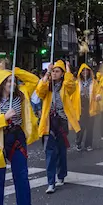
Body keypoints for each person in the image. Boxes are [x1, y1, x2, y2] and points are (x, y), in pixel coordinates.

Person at [0, 67, 39, 205]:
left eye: (13, 81)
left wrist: (15, 70)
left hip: (17, 137)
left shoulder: (22, 94)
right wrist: (3, 118)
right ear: (1, 84)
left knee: (22, 176)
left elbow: (34, 81)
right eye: (8, 81)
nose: (12, 84)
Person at [36, 61, 79, 193]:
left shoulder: (65, 86)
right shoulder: (47, 85)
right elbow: (39, 92)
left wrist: (67, 69)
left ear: (62, 74)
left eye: (57, 71)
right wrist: (47, 74)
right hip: (48, 123)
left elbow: (71, 85)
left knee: (61, 151)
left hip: (61, 121)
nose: (54, 73)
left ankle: (61, 175)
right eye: (53, 71)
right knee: (50, 153)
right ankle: (51, 182)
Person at [75, 64, 95, 152]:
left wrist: (98, 96)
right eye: (83, 70)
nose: (85, 72)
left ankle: (88, 144)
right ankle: (78, 143)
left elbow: (98, 91)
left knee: (90, 127)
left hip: (91, 106)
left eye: (87, 70)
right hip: (81, 107)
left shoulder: (94, 82)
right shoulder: (77, 83)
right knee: (80, 127)